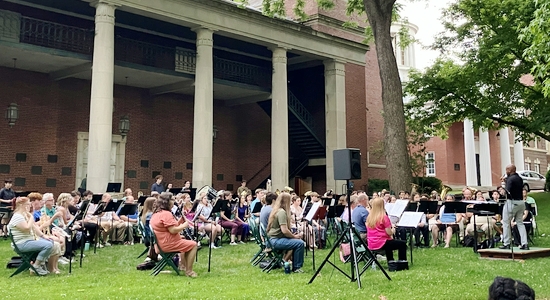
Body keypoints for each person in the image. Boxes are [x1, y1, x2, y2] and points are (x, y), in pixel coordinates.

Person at [150, 192, 197, 277]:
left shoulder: (157, 213)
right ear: (166, 201)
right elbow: (172, 230)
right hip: (167, 244)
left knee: (185, 242)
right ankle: (189, 271)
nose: (174, 201)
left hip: (159, 244)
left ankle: (183, 266)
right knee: (193, 244)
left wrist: (179, 222)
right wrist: (183, 225)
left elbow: (167, 227)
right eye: (172, 199)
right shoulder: (166, 214)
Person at [8, 197, 54, 275]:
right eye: (28, 204)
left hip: (28, 241)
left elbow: (34, 228)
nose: (30, 205)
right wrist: (32, 217)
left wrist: (43, 236)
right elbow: (26, 228)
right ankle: (36, 266)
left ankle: (41, 264)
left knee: (50, 242)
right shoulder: (17, 216)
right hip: (21, 244)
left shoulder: (24, 215)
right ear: (22, 205)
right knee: (48, 245)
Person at [267, 192, 305, 273]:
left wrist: (292, 236)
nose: (291, 203)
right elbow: (284, 230)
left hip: (271, 240)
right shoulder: (281, 213)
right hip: (275, 241)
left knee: (296, 242)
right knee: (300, 243)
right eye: (290, 201)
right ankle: (297, 267)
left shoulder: (276, 210)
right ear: (286, 202)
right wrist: (294, 237)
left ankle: (293, 264)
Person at [366, 197, 407, 263]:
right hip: (381, 242)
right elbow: (389, 233)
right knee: (402, 244)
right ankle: (402, 262)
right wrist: (393, 229)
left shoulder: (369, 217)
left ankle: (391, 260)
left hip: (371, 243)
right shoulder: (384, 217)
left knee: (389, 243)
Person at [500, 164, 529, 250]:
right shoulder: (519, 178)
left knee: (506, 222)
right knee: (520, 223)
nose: (506, 171)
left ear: (511, 170)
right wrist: (506, 181)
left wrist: (502, 184)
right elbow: (514, 185)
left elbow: (506, 191)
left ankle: (506, 243)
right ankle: (525, 243)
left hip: (512, 203)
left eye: (507, 170)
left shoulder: (510, 179)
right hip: (521, 203)